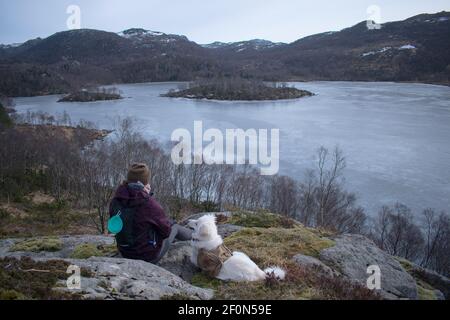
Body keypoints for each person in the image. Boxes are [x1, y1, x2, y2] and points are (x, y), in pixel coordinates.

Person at [109, 163, 192, 263]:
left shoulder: (116, 200)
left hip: (124, 252)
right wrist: (146, 195)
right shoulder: (149, 203)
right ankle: (198, 236)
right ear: (146, 182)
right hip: (147, 257)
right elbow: (166, 232)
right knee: (174, 227)